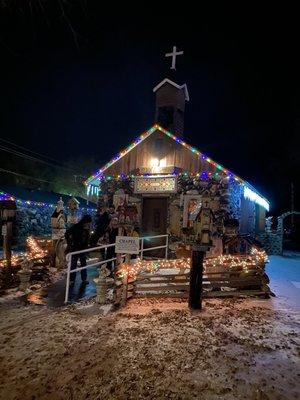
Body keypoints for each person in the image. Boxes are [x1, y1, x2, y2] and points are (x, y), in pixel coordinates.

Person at [65, 214, 92, 286]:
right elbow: (67, 233)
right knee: (73, 264)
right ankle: (71, 280)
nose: (89, 224)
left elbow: (86, 238)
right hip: (75, 248)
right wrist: (70, 242)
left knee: (83, 264)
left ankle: (84, 279)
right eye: (89, 222)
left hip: (82, 249)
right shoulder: (76, 226)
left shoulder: (86, 228)